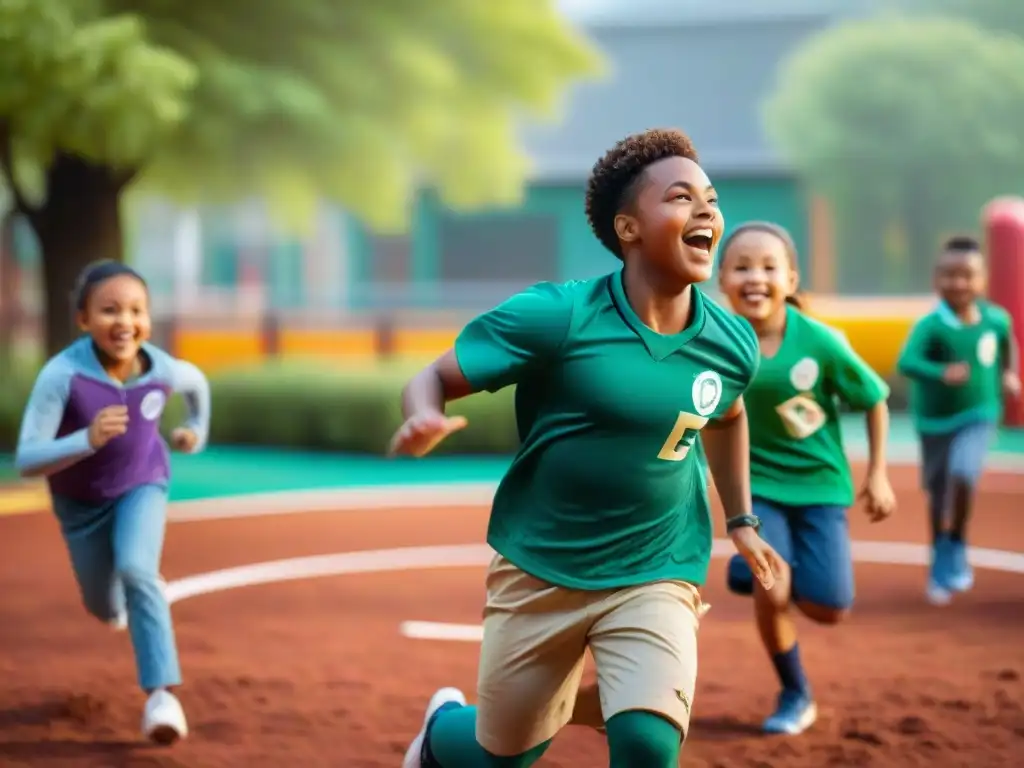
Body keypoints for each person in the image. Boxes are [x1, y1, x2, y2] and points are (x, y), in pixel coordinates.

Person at [391, 128, 784, 768]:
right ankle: (439, 735)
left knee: (648, 743)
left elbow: (728, 416)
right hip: (543, 566)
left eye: (711, 198)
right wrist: (423, 416)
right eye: (682, 198)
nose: (708, 211)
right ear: (628, 228)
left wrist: (740, 521)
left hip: (657, 566)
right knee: (503, 755)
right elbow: (431, 376)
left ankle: (614, 699)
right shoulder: (558, 315)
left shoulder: (732, 343)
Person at [14, 260, 211, 745]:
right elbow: (26, 458)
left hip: (142, 484)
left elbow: (197, 385)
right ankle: (120, 607)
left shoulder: (160, 367)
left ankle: (162, 696)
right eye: (109, 310)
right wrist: (85, 438)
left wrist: (195, 431)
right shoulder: (61, 376)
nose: (125, 322)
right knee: (103, 606)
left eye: (136, 310)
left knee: (138, 570)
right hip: (80, 507)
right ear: (83, 319)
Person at [717, 221, 896, 735]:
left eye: (769, 267)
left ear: (791, 279)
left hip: (820, 486)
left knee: (829, 606)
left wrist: (877, 474)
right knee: (774, 589)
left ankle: (747, 574)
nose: (756, 277)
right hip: (757, 488)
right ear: (722, 280)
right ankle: (795, 692)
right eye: (742, 267)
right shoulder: (716, 341)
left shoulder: (820, 341)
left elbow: (875, 398)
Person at [897, 234, 1021, 605]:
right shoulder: (931, 326)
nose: (959, 283)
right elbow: (907, 362)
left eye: (968, 275)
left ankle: (958, 541)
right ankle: (941, 552)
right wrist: (941, 373)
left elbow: (1006, 344)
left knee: (964, 474)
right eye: (950, 275)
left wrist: (1009, 374)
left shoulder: (996, 319)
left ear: (982, 280)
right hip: (935, 423)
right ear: (937, 279)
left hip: (980, 414)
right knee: (938, 495)